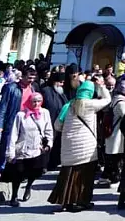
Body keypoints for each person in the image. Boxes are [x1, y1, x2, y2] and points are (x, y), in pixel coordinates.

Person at [48, 77, 111, 212]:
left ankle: (65, 201)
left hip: (68, 146)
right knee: (84, 176)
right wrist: (101, 87)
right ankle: (81, 201)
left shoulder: (69, 105)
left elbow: (57, 125)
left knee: (68, 174)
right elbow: (107, 100)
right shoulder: (90, 104)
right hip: (86, 147)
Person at [4, 92, 53, 206]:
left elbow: (48, 130)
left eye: (39, 101)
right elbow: (14, 134)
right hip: (22, 148)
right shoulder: (21, 115)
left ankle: (28, 186)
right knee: (18, 173)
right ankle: (14, 196)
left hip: (37, 148)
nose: (36, 104)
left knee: (35, 171)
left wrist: (49, 144)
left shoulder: (45, 113)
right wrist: (10, 152)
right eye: (34, 101)